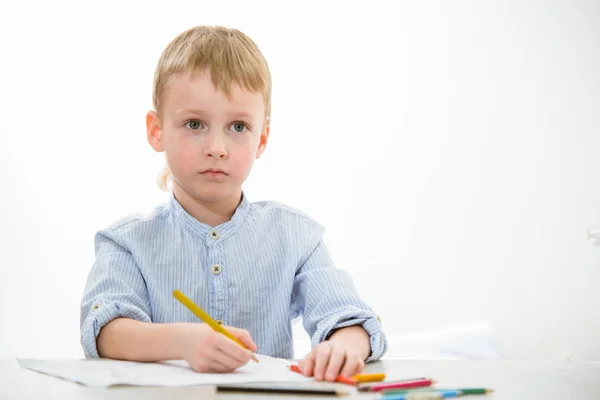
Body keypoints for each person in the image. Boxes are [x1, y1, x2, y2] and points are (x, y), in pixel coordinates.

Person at [80, 25, 387, 382]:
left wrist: (343, 348)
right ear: (156, 131)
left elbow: (349, 318)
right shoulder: (127, 242)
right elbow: (105, 330)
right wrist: (183, 342)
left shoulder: (294, 236)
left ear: (262, 138)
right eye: (194, 123)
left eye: (238, 127)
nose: (217, 147)